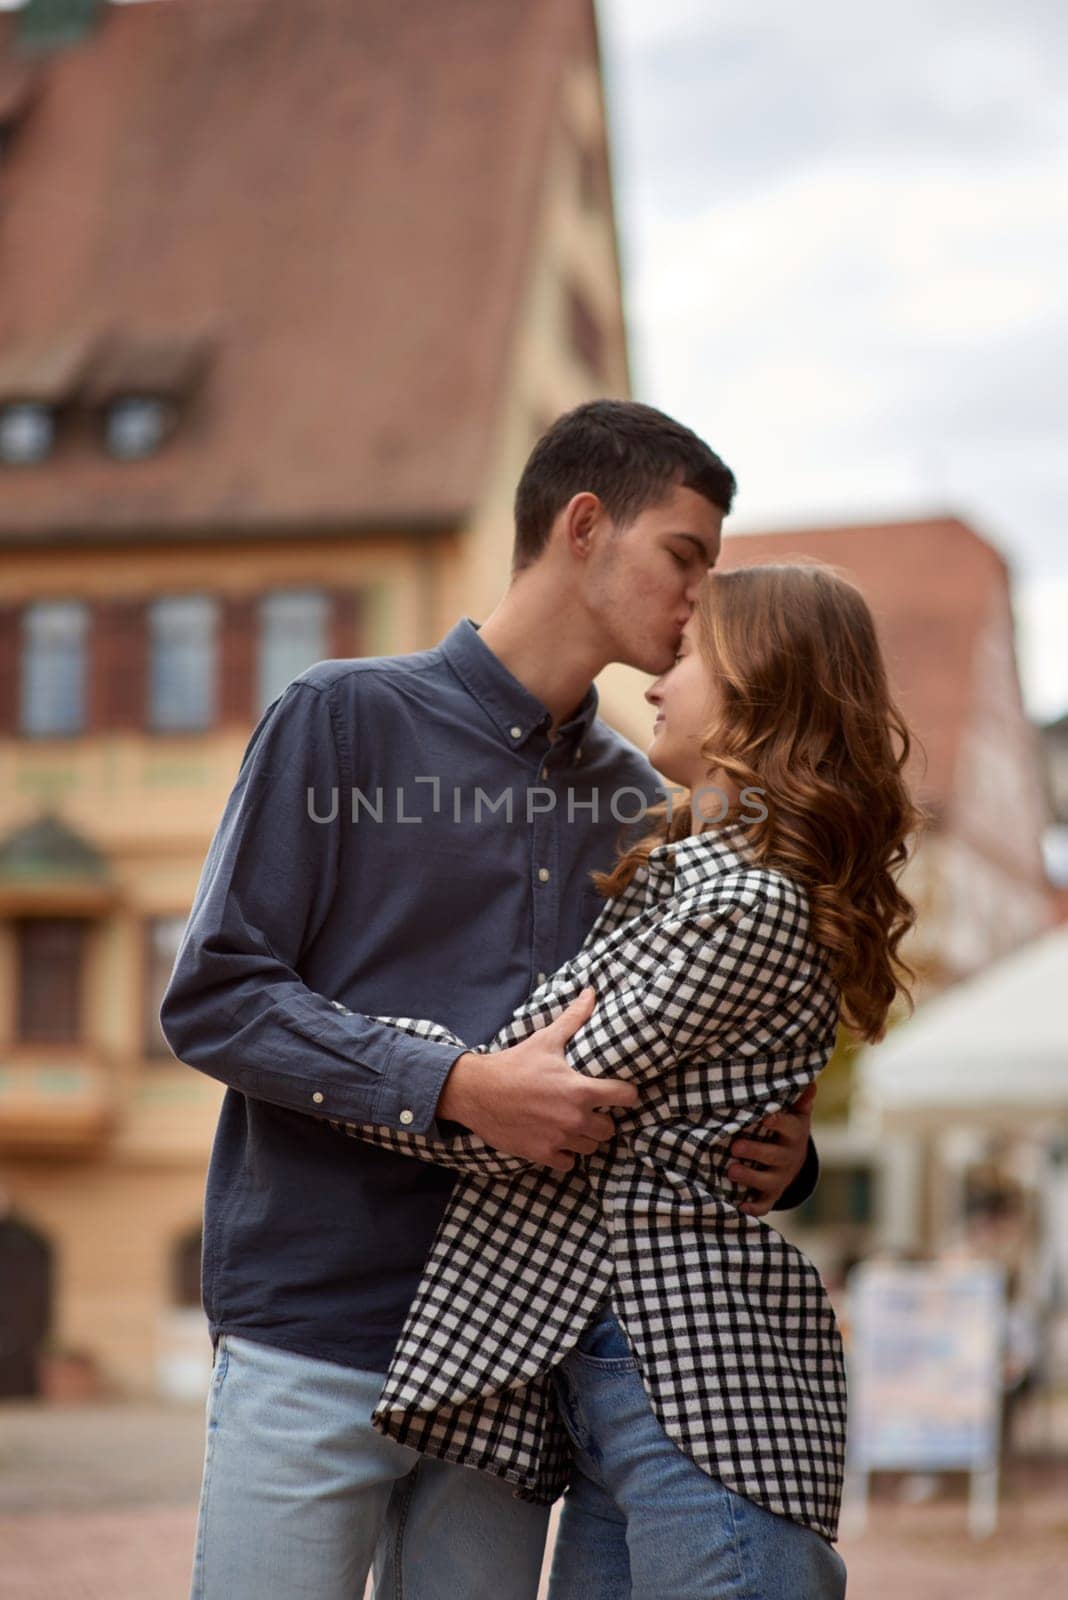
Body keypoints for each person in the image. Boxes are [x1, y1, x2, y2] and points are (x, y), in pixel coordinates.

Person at [159, 401, 819, 1600]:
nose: (699, 599)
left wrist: (786, 1151)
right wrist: (457, 1088)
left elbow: (673, 1052)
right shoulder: (341, 717)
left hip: (520, 1365)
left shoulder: (644, 804)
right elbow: (216, 996)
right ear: (583, 526)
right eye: (686, 556)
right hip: (317, 1329)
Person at [333, 562, 921, 1598]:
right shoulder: (690, 881)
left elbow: (527, 1094)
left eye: (689, 657)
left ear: (761, 691)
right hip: (630, 1377)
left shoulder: (742, 903)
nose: (654, 680)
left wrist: (336, 1048)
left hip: (697, 1386)